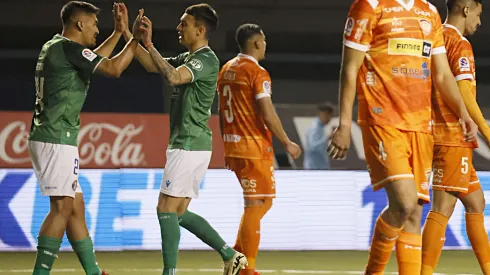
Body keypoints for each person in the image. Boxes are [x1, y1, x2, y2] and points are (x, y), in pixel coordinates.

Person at [327, 0, 478, 274]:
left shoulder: (429, 12)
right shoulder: (369, 6)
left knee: (413, 213)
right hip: (382, 120)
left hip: (421, 127)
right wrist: (345, 125)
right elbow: (350, 69)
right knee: (405, 201)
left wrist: (463, 114)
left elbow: (442, 74)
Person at [119, 4, 248, 275]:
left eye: (184, 24)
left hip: (189, 143)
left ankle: (170, 272)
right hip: (193, 144)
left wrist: (150, 44)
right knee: (176, 213)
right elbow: (152, 65)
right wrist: (127, 35)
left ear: (200, 30)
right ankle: (230, 255)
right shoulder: (189, 57)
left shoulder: (205, 59)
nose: (179, 28)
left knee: (165, 208)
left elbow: (174, 77)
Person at [27, 1, 146, 274]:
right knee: (62, 209)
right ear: (79, 24)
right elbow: (113, 69)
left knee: (75, 206)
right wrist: (135, 37)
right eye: (93, 24)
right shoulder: (68, 49)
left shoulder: (56, 47)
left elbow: (94, 59)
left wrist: (118, 33)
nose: (96, 29)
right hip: (56, 138)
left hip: (50, 135)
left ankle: (93, 272)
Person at [217, 23, 302, 275]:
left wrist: (226, 143)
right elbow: (266, 111)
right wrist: (286, 141)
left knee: (262, 202)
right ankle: (247, 268)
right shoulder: (257, 72)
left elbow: (221, 111)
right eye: (263, 41)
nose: (265, 45)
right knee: (256, 204)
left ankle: (236, 255)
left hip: (234, 145)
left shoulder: (226, 69)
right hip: (252, 146)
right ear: (255, 43)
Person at [421, 1, 490, 274]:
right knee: (443, 206)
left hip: (441, 133)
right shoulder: (459, 44)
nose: (480, 22)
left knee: (476, 202)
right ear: (466, 9)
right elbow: (464, 94)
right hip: (452, 135)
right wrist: (486, 130)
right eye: (479, 14)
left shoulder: (436, 37)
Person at [304, 102, 334, 170]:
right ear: (322, 114)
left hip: (318, 168)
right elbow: (312, 146)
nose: (329, 119)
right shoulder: (315, 128)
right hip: (314, 169)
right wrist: (327, 138)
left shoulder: (320, 128)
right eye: (328, 115)